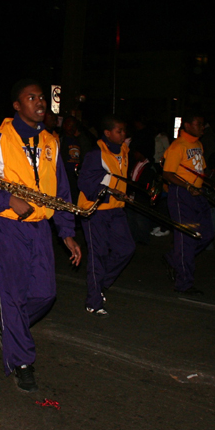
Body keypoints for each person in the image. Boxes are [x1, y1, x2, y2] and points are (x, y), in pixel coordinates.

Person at [0, 79, 81, 392]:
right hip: (7, 228)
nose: (40, 102)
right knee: (14, 297)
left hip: (41, 228)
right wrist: (7, 200)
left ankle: (7, 325)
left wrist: (67, 231)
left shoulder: (51, 141)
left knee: (45, 294)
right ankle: (22, 362)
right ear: (17, 106)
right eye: (31, 97)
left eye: (42, 97)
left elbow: (61, 191)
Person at [77, 115, 136, 315]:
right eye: (119, 131)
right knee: (98, 254)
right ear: (108, 133)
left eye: (124, 131)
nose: (123, 134)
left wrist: (125, 194)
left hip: (116, 208)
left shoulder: (124, 151)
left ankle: (101, 284)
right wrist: (109, 190)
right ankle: (93, 301)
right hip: (95, 210)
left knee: (126, 248)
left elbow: (118, 178)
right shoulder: (96, 154)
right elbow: (85, 182)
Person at [161, 111, 215, 294]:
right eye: (199, 123)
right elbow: (167, 174)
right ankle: (184, 283)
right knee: (186, 239)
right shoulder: (178, 146)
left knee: (207, 233)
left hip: (196, 193)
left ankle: (176, 258)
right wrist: (187, 186)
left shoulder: (198, 144)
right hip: (181, 194)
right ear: (188, 125)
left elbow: (199, 170)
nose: (202, 127)